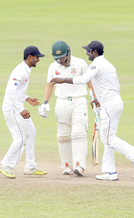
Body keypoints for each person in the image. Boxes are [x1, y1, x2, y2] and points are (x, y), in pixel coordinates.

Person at [50, 40, 134, 181]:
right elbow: (113, 85)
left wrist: (63, 80)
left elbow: (84, 78)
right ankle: (110, 172)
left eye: (88, 51)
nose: (86, 53)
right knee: (106, 139)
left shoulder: (98, 63)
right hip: (112, 103)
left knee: (109, 139)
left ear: (95, 52)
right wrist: (98, 100)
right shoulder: (107, 64)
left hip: (110, 106)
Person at [38, 40, 96, 176]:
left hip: (78, 100)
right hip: (61, 101)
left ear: (68, 52)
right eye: (58, 58)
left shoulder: (80, 63)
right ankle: (66, 165)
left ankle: (79, 165)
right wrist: (45, 102)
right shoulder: (53, 67)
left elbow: (89, 82)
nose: (61, 60)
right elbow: (50, 85)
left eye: (63, 57)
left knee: (78, 133)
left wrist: (94, 99)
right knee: (63, 135)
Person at [0, 45, 47, 179]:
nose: (38, 60)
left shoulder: (26, 69)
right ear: (30, 57)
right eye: (37, 58)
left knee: (31, 132)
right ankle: (4, 165)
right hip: (12, 108)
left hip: (16, 106)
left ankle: (30, 166)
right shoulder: (20, 71)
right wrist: (21, 109)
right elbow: (10, 91)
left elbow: (17, 91)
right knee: (20, 138)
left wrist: (27, 98)